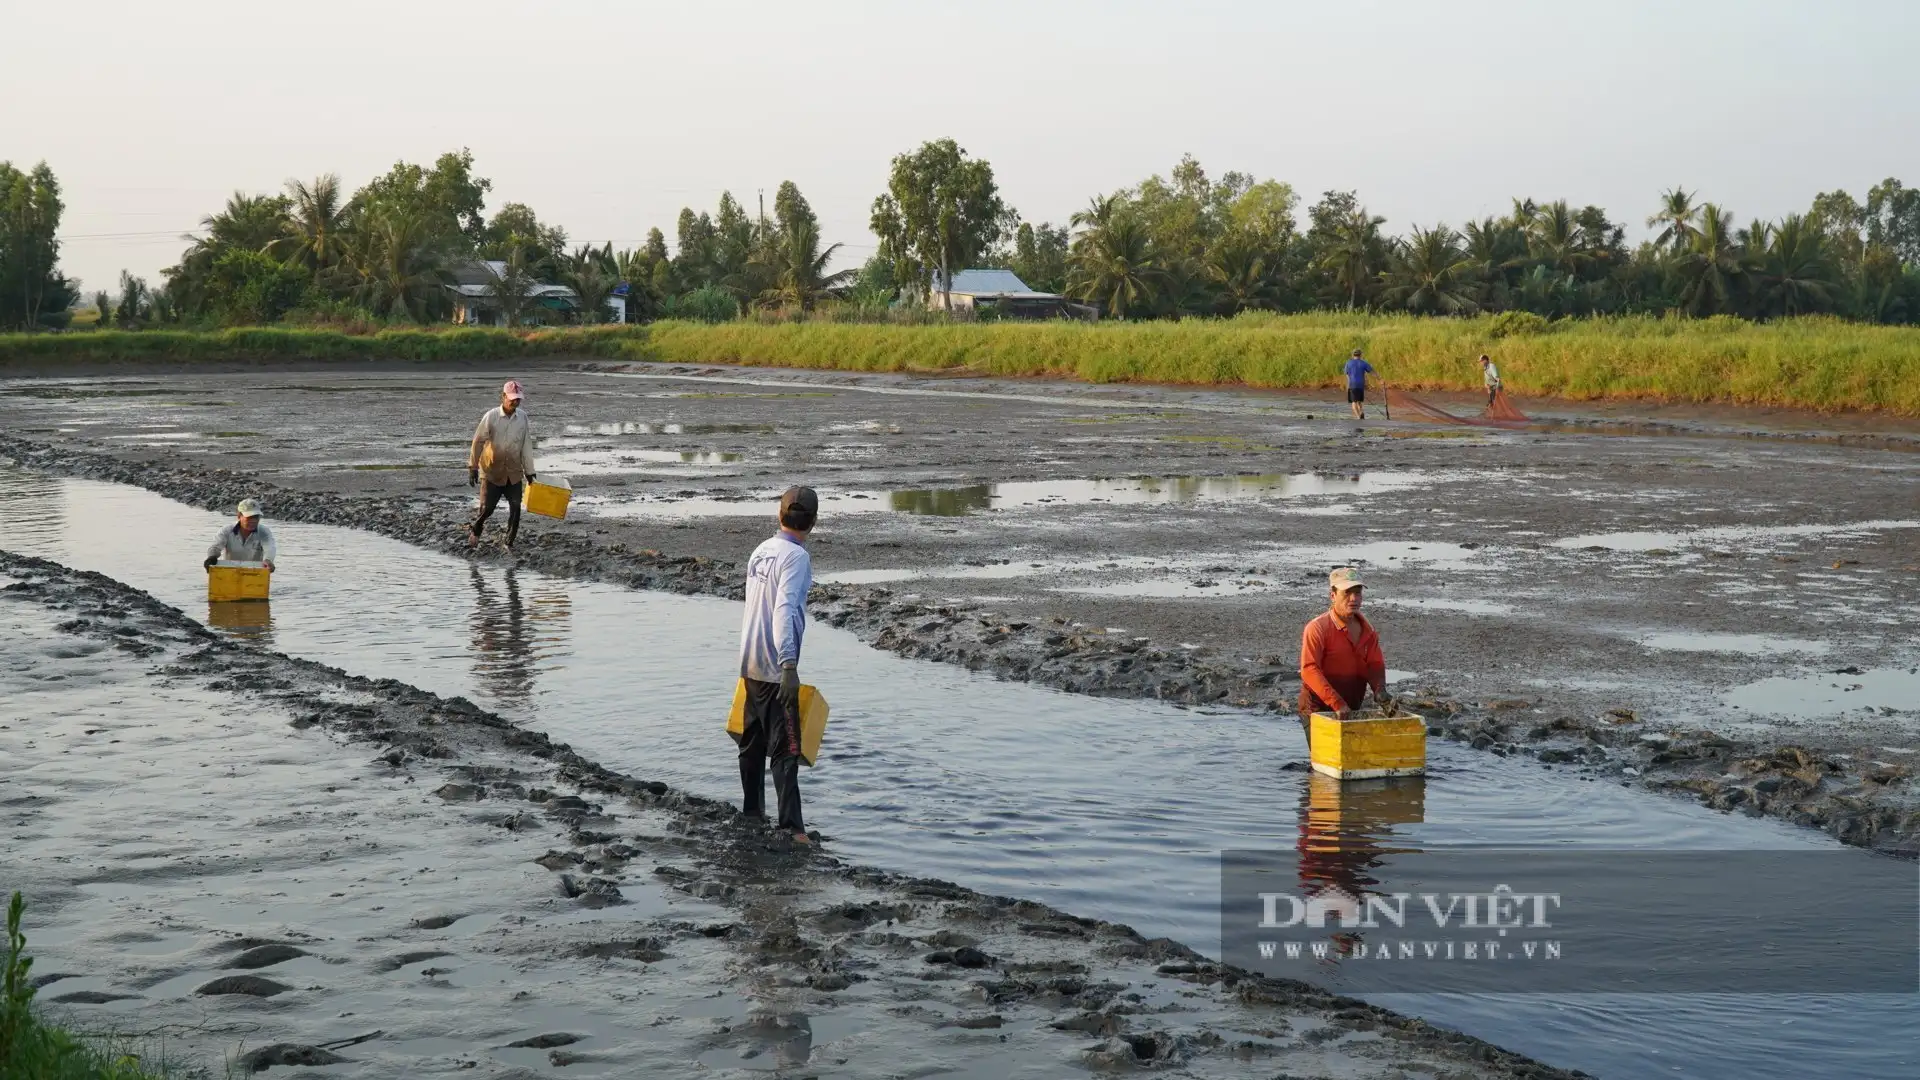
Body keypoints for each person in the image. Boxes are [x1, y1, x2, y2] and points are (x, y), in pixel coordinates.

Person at [734, 485, 819, 844]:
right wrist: (788, 665)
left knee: (751, 743)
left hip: (749, 659)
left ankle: (752, 813)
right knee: (786, 748)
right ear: (812, 523)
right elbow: (784, 610)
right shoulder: (796, 558)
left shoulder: (762, 550)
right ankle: (793, 830)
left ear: (779, 514)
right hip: (773, 665)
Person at [1297, 567, 1389, 741]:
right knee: (1326, 765)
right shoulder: (1317, 628)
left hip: (1351, 705)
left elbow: (1375, 664)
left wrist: (1380, 689)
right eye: (1347, 593)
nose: (1354, 599)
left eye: (1357, 592)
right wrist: (1337, 703)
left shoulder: (1367, 630)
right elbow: (1309, 669)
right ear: (1333, 596)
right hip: (1317, 708)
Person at [467, 379, 536, 550]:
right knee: (487, 508)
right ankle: (476, 528)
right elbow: (478, 442)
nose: (515, 401)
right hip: (492, 471)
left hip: (513, 471)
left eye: (518, 399)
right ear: (503, 396)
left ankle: (509, 542)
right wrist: (473, 467)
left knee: (515, 507)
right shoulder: (491, 417)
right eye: (512, 398)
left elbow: (526, 444)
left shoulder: (523, 418)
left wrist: (529, 471)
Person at [203, 498, 277, 572]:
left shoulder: (264, 532)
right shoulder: (226, 530)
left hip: (255, 573)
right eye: (249, 517)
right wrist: (211, 557)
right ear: (239, 516)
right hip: (229, 572)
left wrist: (268, 560)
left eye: (256, 517)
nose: (253, 521)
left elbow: (270, 548)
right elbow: (216, 546)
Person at [1343, 348, 1376, 420]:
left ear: (1353, 355)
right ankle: (1361, 412)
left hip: (1352, 385)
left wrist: (1348, 386)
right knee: (1359, 401)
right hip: (1360, 385)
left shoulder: (1348, 363)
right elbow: (1372, 371)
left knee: (1354, 402)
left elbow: (1347, 374)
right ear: (1360, 355)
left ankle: (1358, 417)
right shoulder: (1363, 363)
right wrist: (1380, 379)